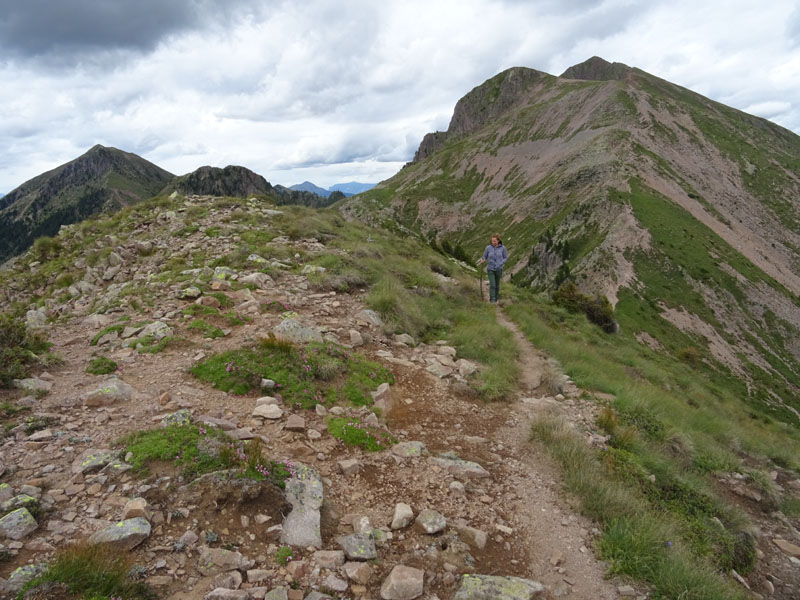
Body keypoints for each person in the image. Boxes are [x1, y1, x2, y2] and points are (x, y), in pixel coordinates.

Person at [478, 233, 508, 303]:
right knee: (493, 284)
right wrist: (483, 260)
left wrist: (501, 263)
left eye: (494, 241)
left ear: (498, 241)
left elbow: (505, 257)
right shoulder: (488, 248)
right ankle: (492, 299)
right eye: (492, 241)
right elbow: (484, 256)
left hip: (499, 269)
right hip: (490, 268)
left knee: (497, 285)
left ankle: (496, 298)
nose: (493, 242)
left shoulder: (503, 248)